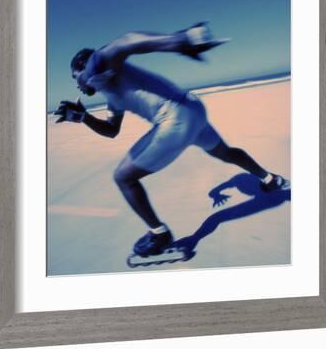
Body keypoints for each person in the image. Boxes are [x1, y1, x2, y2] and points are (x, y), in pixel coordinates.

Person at [54, 23, 290, 258]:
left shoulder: (98, 71)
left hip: (174, 119)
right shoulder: (110, 90)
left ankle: (158, 234)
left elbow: (124, 42)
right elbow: (111, 130)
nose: (78, 84)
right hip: (193, 110)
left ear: (84, 69)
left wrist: (179, 41)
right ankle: (270, 179)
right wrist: (83, 117)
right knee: (225, 153)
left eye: (76, 77)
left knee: (123, 177)